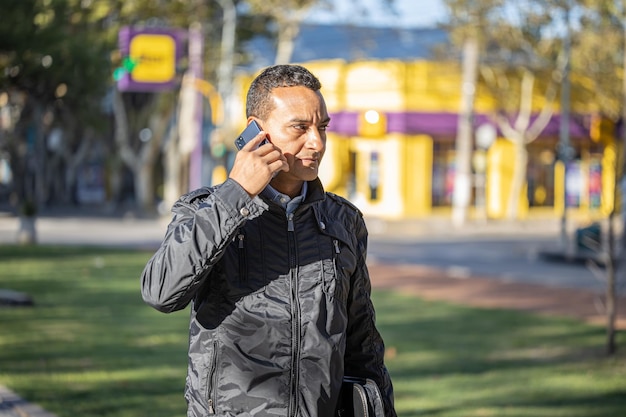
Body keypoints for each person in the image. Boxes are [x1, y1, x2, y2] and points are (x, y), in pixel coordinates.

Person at [141, 64, 396, 417]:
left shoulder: (343, 221)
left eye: (322, 127)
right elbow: (161, 292)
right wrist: (237, 194)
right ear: (256, 131)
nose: (317, 142)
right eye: (300, 127)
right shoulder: (204, 209)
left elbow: (361, 343)